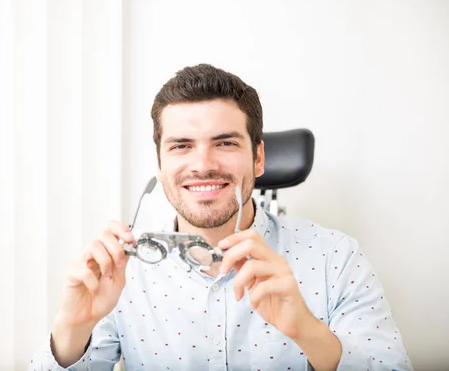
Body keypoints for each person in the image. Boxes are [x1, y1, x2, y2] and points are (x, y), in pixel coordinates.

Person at [29, 64, 412, 370]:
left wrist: (309, 333)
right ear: (160, 164)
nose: (203, 165)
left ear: (258, 157)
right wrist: (70, 332)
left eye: (226, 143)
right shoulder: (120, 272)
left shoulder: (334, 258)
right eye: (181, 146)